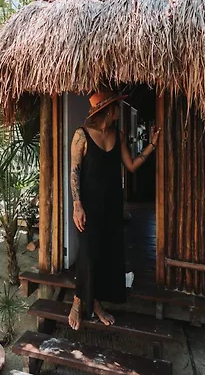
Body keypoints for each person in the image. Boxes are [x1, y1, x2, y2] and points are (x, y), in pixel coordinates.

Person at [68, 90, 161, 331]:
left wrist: (152, 145)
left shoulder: (117, 136)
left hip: (111, 206)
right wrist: (77, 205)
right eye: (116, 107)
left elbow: (131, 165)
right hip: (88, 207)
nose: (119, 111)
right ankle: (78, 301)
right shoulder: (81, 135)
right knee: (88, 254)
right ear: (106, 111)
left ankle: (96, 303)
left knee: (107, 255)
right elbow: (74, 172)